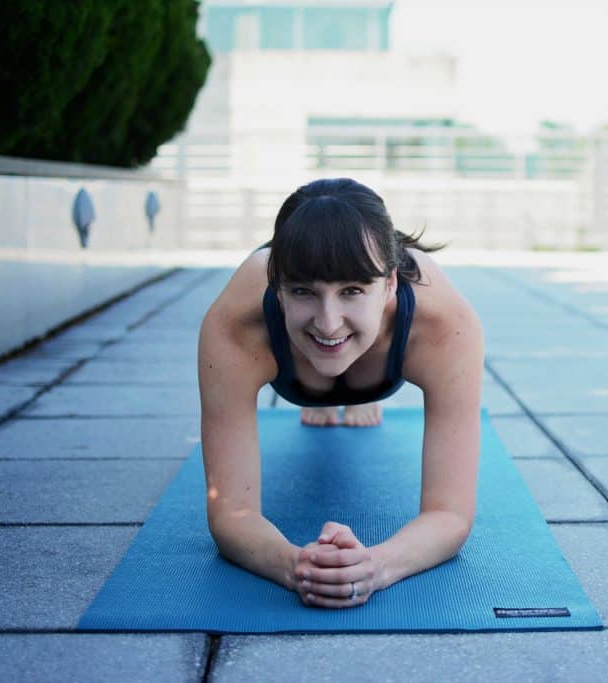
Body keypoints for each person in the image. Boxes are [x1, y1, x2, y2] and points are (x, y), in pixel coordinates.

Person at [197, 178, 483, 609]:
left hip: (382, 344)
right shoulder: (236, 324)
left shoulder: (443, 323)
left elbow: (451, 514)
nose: (328, 322)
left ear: (389, 285)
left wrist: (377, 565)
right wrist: (297, 565)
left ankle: (362, 389)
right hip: (296, 348)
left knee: (343, 339)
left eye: (352, 291)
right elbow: (230, 514)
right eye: (302, 292)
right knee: (337, 331)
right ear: (276, 286)